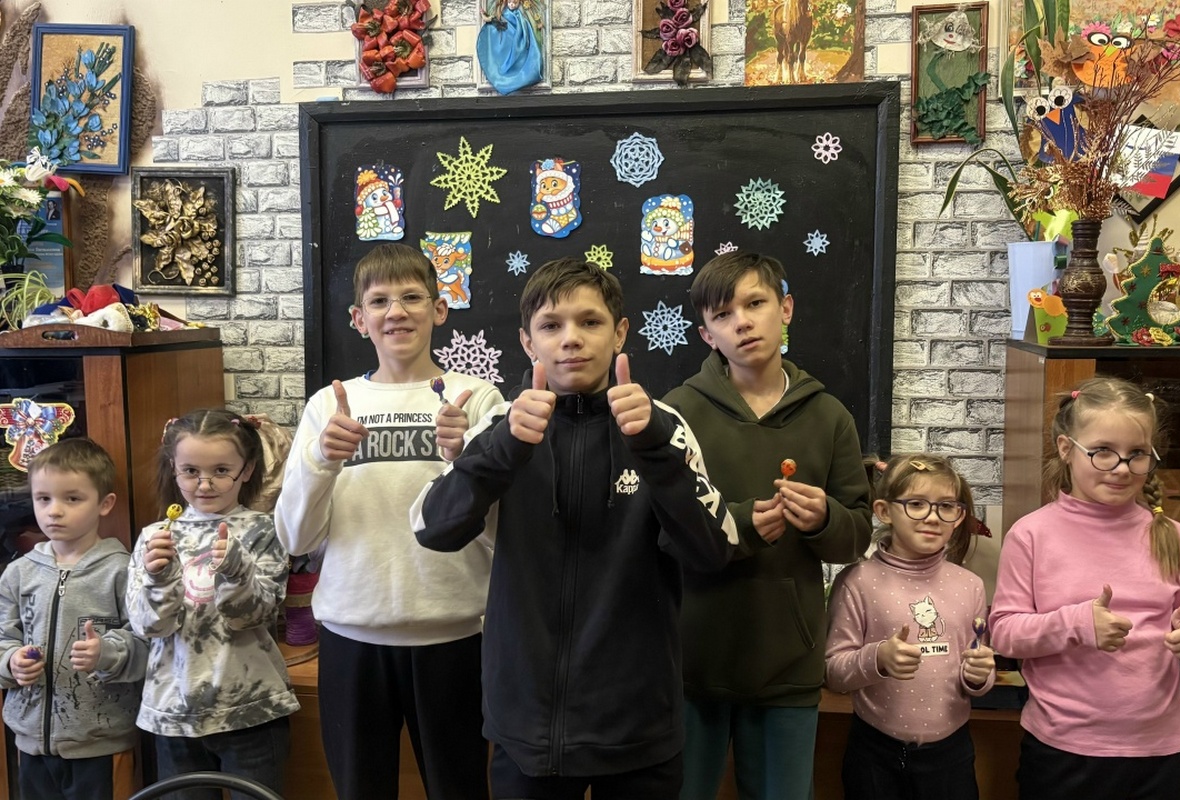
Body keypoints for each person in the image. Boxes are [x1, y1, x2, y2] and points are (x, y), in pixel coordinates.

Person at [411, 257, 738, 799]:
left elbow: (714, 549)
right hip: (528, 727)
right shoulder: (500, 425)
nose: (571, 339)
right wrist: (503, 448)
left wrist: (654, 450)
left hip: (637, 726)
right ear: (528, 342)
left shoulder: (665, 426)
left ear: (620, 333)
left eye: (590, 322)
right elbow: (432, 529)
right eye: (551, 325)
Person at [275, 242, 502, 800]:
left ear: (439, 309)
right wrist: (321, 460)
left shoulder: (478, 399)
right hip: (352, 635)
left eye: (411, 297)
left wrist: (466, 459)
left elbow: (504, 531)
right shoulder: (329, 406)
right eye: (379, 301)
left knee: (461, 789)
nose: (396, 312)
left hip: (456, 635)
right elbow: (296, 538)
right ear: (359, 319)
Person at [661, 251, 873, 800]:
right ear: (706, 334)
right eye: (723, 314)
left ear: (786, 309)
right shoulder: (677, 413)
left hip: (788, 665)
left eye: (755, 303)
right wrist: (738, 524)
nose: (743, 323)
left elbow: (857, 534)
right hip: (693, 661)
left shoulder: (829, 416)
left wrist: (824, 518)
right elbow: (662, 532)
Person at [990, 376, 1180, 800]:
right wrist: (1078, 624)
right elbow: (1005, 633)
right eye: (1103, 451)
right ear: (1066, 448)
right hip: (1063, 752)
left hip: (1159, 753)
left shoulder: (1176, 538)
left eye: (1137, 454)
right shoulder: (1031, 535)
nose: (1121, 468)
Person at [127, 409, 299, 797]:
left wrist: (237, 573)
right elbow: (148, 626)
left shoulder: (264, 529)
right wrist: (158, 578)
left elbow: (254, 616)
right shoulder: (155, 535)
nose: (204, 484)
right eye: (190, 471)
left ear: (247, 469)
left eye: (221, 470)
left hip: (251, 709)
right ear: (174, 469)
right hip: (173, 712)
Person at [825, 453, 995, 800]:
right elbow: (834, 673)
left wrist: (980, 675)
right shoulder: (857, 582)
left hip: (951, 755)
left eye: (946, 506)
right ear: (884, 511)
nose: (932, 517)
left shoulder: (970, 586)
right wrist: (878, 658)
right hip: (875, 754)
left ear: (959, 515)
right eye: (916, 504)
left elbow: (975, 670)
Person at [0, 438, 148, 800]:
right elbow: (3, 636)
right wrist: (11, 661)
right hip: (30, 743)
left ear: (104, 504)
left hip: (102, 743)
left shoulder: (122, 571)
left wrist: (107, 654)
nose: (54, 511)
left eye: (72, 499)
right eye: (43, 498)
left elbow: (147, 643)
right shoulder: (17, 574)